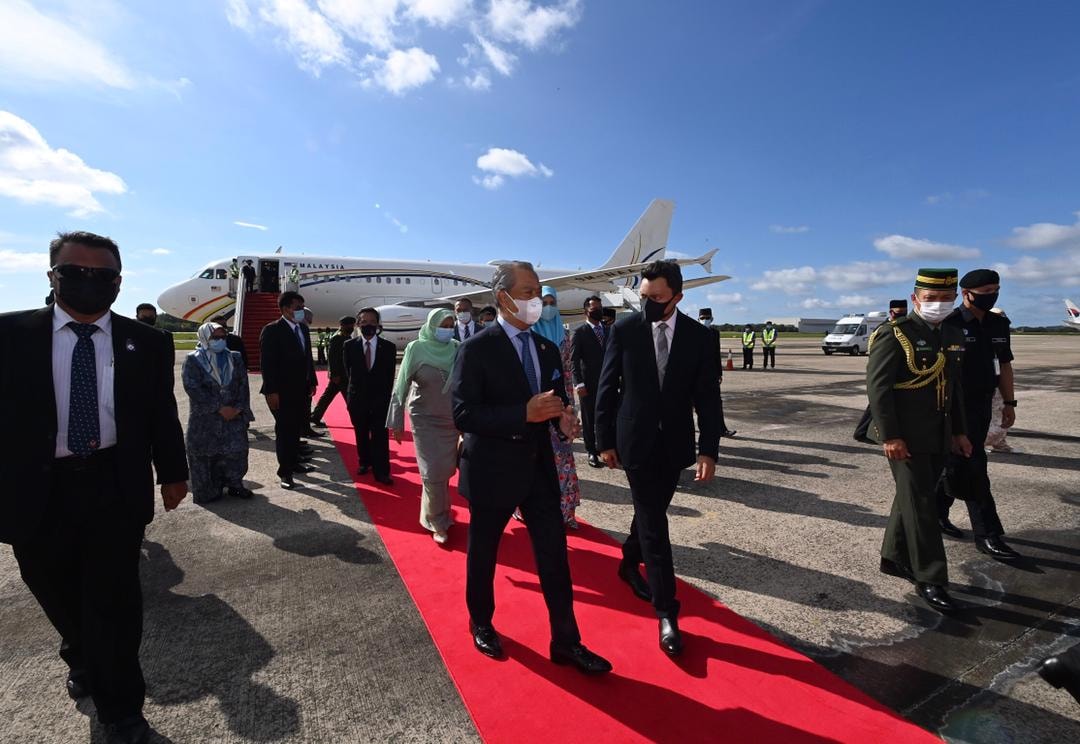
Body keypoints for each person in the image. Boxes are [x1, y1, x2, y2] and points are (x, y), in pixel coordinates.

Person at [0, 231, 188, 744]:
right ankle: (78, 652)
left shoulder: (147, 341)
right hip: (36, 490)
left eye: (102, 276)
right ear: (52, 276)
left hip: (112, 484)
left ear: (118, 283)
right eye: (75, 273)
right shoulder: (10, 335)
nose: (89, 282)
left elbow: (160, 414)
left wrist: (174, 471)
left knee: (115, 604)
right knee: (54, 589)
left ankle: (122, 712)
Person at [451, 261, 611, 674]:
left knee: (555, 557)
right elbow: (464, 413)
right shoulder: (476, 348)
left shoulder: (545, 347)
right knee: (484, 554)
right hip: (492, 470)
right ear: (501, 296)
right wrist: (522, 413)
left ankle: (566, 641)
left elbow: (554, 396)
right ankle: (482, 622)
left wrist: (562, 417)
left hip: (539, 472)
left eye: (537, 291)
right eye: (526, 291)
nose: (534, 300)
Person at [595, 260, 719, 657]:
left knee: (649, 513)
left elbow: (707, 396)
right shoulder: (625, 330)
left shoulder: (700, 338)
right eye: (643, 297)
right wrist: (604, 441)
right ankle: (667, 611)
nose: (647, 305)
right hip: (634, 442)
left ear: (678, 297)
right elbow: (606, 388)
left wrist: (708, 448)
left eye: (657, 298)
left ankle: (628, 563)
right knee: (654, 522)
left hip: (676, 444)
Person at [866, 268, 971, 613]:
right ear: (915, 299)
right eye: (930, 299)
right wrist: (891, 435)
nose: (938, 305)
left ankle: (894, 557)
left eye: (945, 299)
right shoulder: (895, 334)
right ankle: (931, 577)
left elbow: (953, 387)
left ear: (954, 299)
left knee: (911, 498)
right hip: (904, 437)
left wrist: (959, 432)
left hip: (938, 434)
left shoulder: (954, 334)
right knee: (923, 505)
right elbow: (878, 390)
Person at [935, 270, 1021, 559]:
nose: (991, 296)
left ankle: (935, 513)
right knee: (974, 465)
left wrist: (1009, 403)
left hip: (983, 405)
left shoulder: (998, 324)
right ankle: (988, 534)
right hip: (953, 407)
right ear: (966, 293)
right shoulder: (949, 323)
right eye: (985, 292)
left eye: (995, 290)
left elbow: (1005, 365)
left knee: (958, 464)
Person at [388, 309, 461, 544]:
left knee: (445, 471)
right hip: (425, 420)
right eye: (444, 324)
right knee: (432, 472)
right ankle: (437, 522)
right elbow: (401, 386)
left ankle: (440, 514)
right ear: (432, 325)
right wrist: (396, 421)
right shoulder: (415, 348)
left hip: (452, 421)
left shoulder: (458, 348)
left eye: (451, 324)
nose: (447, 329)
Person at [182, 322, 254, 504]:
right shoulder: (193, 359)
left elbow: (243, 386)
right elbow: (192, 387)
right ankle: (209, 490)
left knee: (236, 453)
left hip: (233, 417)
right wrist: (219, 408)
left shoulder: (235, 358)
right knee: (206, 455)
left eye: (223, 337)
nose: (220, 341)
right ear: (205, 338)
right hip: (206, 419)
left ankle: (235, 484)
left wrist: (238, 408)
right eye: (215, 337)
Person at [259, 291, 318, 489]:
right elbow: (267, 364)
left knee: (295, 430)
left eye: (303, 307)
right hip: (281, 392)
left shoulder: (303, 328)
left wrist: (312, 381)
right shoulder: (272, 330)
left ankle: (294, 463)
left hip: (301, 390)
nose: (302, 311)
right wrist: (271, 391)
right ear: (285, 309)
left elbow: (307, 358)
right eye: (298, 308)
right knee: (284, 431)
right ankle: (285, 472)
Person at [536, 286, 583, 528]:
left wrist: (569, 408)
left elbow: (567, 374)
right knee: (535, 461)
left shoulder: (563, 336)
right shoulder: (530, 333)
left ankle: (566, 512)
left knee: (563, 459)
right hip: (537, 407)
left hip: (561, 407)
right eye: (543, 302)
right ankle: (531, 510)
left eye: (551, 301)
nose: (548, 306)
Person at [344, 307, 397, 485]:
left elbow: (390, 376)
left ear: (378, 324)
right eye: (364, 322)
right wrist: (350, 397)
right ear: (358, 324)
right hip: (357, 399)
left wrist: (386, 399)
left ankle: (382, 471)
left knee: (380, 436)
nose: (368, 325)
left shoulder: (389, 348)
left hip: (380, 400)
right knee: (361, 433)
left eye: (372, 322)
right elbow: (347, 373)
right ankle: (364, 462)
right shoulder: (349, 346)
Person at [854, 300, 907, 442]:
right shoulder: (883, 329)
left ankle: (862, 432)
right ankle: (864, 432)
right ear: (891, 313)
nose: (902, 317)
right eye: (899, 314)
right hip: (885, 369)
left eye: (904, 313)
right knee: (878, 404)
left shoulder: (906, 327)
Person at [571, 295, 608, 468]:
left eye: (600, 307)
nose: (598, 310)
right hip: (588, 384)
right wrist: (579, 383)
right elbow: (574, 360)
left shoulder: (609, 330)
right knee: (589, 418)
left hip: (607, 383)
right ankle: (591, 451)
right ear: (586, 310)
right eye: (594, 308)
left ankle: (606, 447)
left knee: (607, 416)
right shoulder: (580, 333)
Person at [697, 308, 737, 437]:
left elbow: (716, 354)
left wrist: (719, 373)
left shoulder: (715, 333)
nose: (705, 320)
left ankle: (722, 429)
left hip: (711, 374)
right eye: (702, 318)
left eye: (707, 318)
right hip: (695, 375)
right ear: (698, 319)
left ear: (712, 319)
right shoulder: (693, 332)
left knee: (716, 403)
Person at [310, 316, 355, 427]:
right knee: (350, 399)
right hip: (339, 375)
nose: (352, 327)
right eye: (349, 325)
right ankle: (357, 420)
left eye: (352, 325)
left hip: (344, 374)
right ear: (343, 326)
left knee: (327, 397)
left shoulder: (347, 336)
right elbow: (332, 357)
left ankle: (315, 416)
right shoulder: (337, 338)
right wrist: (334, 374)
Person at [984, 307, 1015, 454]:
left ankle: (1000, 442)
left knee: (1001, 410)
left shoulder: (1001, 335)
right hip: (984, 380)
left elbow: (1005, 363)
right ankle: (982, 442)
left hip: (999, 379)